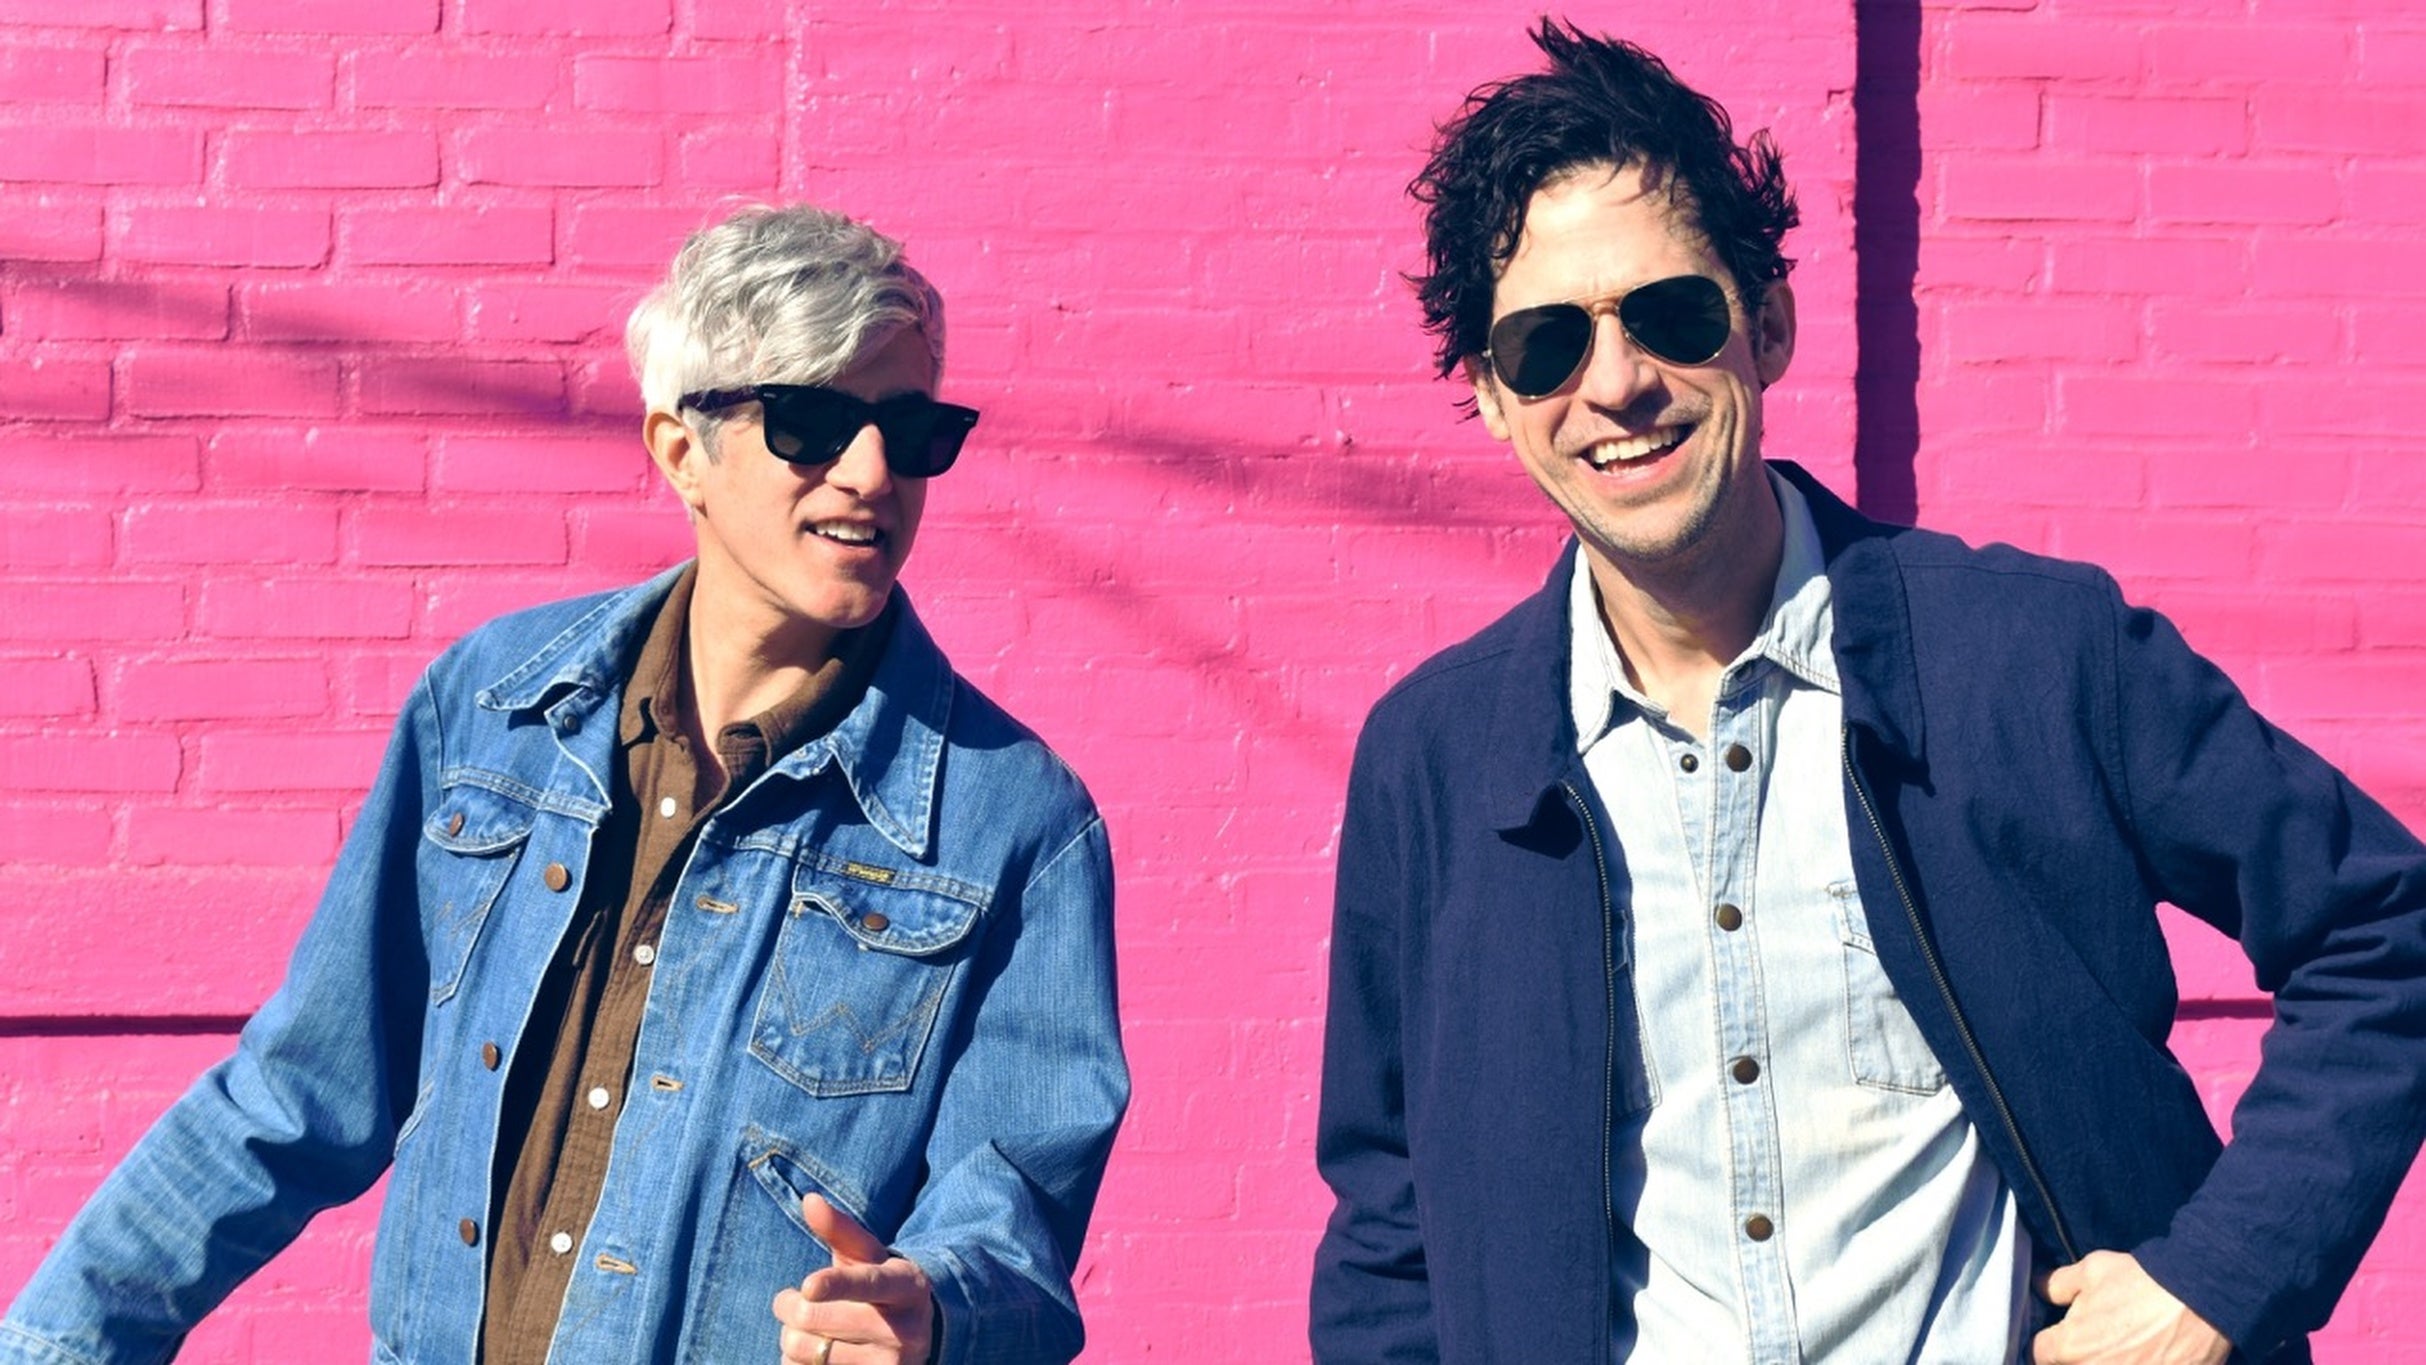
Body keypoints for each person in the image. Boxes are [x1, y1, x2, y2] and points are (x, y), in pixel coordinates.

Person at [1310, 20, 2426, 1365]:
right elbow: (1391, 1226)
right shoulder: (1436, 761)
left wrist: (2218, 1280)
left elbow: (2383, 930)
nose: (1612, 383)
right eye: (1545, 346)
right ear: (1492, 401)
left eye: (1668, 315)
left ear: (1765, 326)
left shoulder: (2030, 657)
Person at [1, 204, 1127, 1365]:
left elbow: (1017, 1234)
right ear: (681, 449)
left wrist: (936, 1314)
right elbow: (302, 1094)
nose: (872, 473)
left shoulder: (1011, 823)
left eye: (911, 430)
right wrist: (61, 1340)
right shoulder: (492, 712)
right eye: (813, 423)